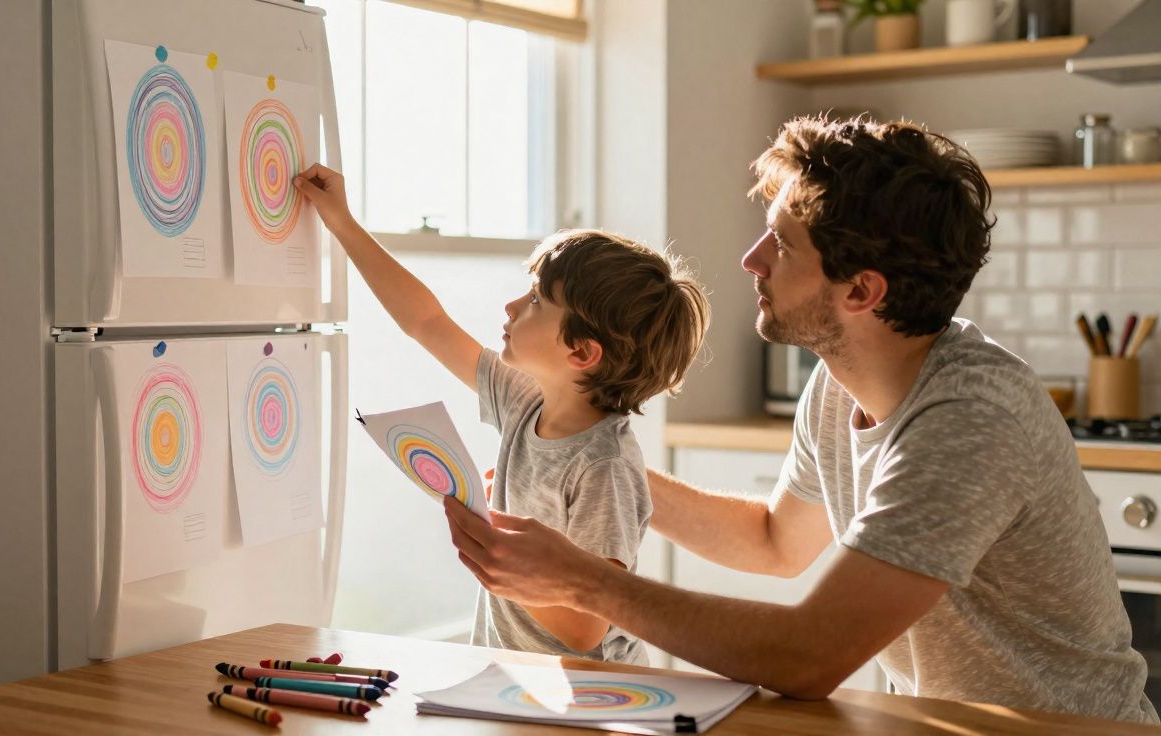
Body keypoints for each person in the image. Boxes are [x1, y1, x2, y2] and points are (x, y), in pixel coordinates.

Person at [442, 116, 1159, 723]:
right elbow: (775, 541)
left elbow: (808, 656)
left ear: (861, 290)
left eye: (782, 245)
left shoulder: (971, 420)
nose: (751, 260)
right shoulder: (838, 382)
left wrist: (584, 582)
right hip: (946, 724)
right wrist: (583, 473)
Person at [292, 164, 710, 664]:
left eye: (535, 300)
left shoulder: (605, 467)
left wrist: (494, 552)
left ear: (582, 353)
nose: (511, 307)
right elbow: (425, 321)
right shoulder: (523, 400)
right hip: (517, 676)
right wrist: (342, 222)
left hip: (593, 695)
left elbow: (585, 629)